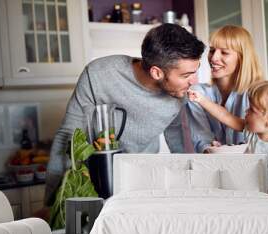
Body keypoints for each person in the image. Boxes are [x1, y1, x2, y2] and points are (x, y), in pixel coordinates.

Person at [43, 24, 205, 207]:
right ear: (157, 72)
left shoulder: (180, 91)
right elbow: (68, 136)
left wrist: (189, 186)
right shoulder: (99, 75)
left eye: (195, 71)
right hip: (94, 183)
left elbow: (177, 138)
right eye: (186, 75)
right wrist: (51, 204)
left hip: (142, 183)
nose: (194, 81)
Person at [187, 25, 263, 153]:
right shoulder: (197, 93)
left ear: (242, 58)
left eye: (224, 52)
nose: (214, 58)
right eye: (212, 50)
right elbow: (201, 140)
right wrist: (208, 148)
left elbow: (262, 140)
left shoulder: (257, 93)